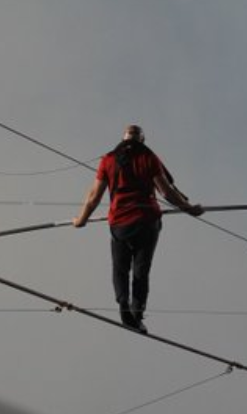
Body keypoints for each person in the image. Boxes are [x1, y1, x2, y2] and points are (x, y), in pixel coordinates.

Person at [72, 125, 203, 333]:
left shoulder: (108, 159)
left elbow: (93, 196)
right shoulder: (148, 157)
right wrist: (189, 209)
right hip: (146, 221)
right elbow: (166, 192)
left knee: (120, 267)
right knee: (141, 270)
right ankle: (136, 313)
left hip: (119, 223)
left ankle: (123, 302)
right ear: (142, 140)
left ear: (123, 139)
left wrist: (81, 219)